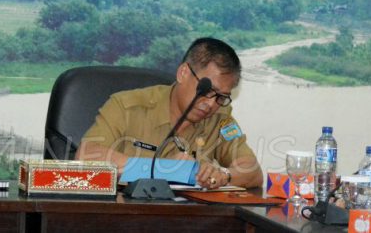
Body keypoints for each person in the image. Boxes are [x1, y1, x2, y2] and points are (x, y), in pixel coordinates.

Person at [76, 37, 263, 189]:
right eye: (206, 90)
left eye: (221, 97)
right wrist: (166, 169)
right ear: (183, 73)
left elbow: (253, 171)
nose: (211, 104)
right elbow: (85, 158)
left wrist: (224, 176)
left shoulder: (220, 117)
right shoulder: (126, 106)